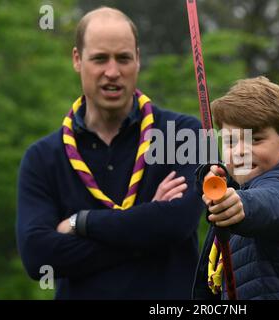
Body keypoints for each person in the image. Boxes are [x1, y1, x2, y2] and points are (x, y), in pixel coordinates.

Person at [16, 7, 203, 299]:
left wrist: (82, 223)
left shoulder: (185, 134)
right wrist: (148, 222)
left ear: (138, 59)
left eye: (124, 58)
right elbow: (38, 258)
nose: (113, 72)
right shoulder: (41, 157)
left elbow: (177, 224)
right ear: (77, 59)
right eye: (100, 58)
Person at [192, 76, 279, 300]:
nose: (240, 151)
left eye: (255, 139)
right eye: (231, 141)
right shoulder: (238, 184)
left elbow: (272, 202)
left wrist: (241, 205)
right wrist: (207, 177)